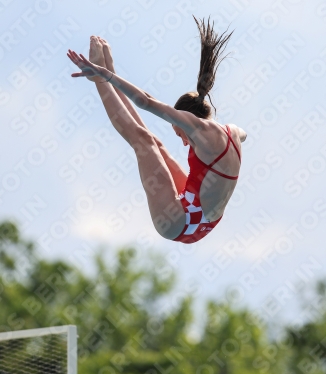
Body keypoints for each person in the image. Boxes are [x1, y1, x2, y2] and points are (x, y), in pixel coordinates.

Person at [67, 17, 246, 244]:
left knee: (143, 141)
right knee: (154, 143)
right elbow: (243, 134)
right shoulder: (232, 131)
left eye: (179, 132)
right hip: (202, 221)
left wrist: (104, 75)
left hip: (180, 222)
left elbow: (145, 101)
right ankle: (107, 75)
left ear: (186, 120)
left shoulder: (197, 127)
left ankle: (99, 80)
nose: (183, 142)